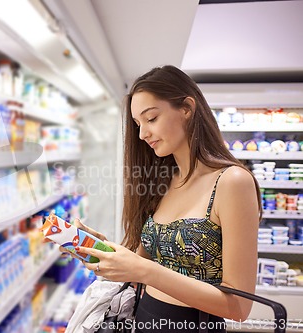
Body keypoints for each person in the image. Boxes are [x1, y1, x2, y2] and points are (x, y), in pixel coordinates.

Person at [71, 65, 261, 332]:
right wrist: (99, 248)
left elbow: (239, 306)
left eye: (151, 119)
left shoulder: (231, 181)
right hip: (143, 318)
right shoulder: (162, 181)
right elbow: (142, 267)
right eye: (137, 124)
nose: (142, 134)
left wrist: (143, 271)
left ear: (186, 108)